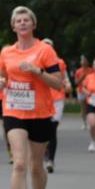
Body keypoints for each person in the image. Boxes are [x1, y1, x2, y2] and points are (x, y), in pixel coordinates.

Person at [0, 7, 62, 189]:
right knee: (19, 163)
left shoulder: (45, 50)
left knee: (36, 166)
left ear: (33, 25)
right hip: (13, 111)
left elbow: (58, 83)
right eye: (18, 21)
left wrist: (37, 71)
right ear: (13, 27)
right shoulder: (6, 53)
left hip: (40, 113)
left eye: (26, 20)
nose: (22, 23)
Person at [42, 39, 70, 173]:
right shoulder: (36, 62)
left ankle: (50, 160)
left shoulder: (60, 62)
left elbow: (64, 77)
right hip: (42, 100)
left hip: (57, 99)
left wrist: (68, 84)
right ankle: (45, 152)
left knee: (52, 129)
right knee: (44, 130)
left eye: (49, 47)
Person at [74, 55, 93, 128]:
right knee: (83, 108)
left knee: (90, 107)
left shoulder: (91, 70)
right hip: (81, 91)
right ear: (80, 62)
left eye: (85, 60)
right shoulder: (78, 71)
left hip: (89, 91)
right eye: (82, 61)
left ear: (87, 62)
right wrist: (82, 78)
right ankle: (84, 123)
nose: (83, 62)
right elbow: (76, 82)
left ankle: (90, 122)